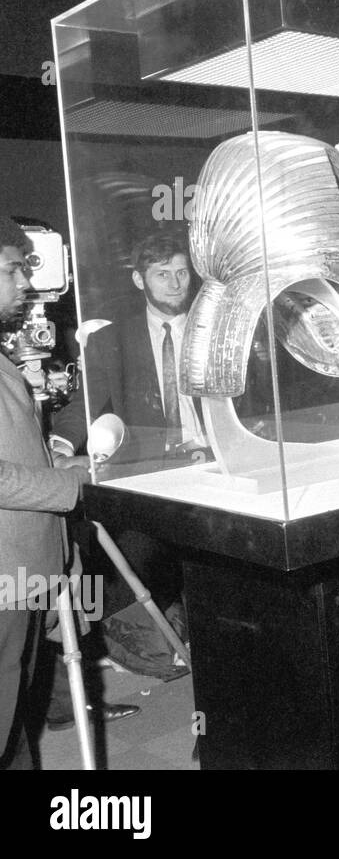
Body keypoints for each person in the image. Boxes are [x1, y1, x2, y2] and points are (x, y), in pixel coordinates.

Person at [50, 230, 197, 679]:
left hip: (214, 465)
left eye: (181, 272)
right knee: (134, 557)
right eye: (161, 274)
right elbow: (88, 402)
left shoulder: (215, 329)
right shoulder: (114, 339)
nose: (174, 284)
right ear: (139, 281)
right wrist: (59, 446)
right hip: (151, 475)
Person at [0, 217, 94, 768]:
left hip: (23, 571)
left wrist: (56, 457)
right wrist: (70, 483)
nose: (23, 284)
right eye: (12, 269)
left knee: (13, 722)